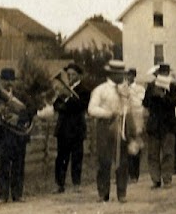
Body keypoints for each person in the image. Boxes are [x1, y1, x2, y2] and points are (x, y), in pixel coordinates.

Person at [87, 60, 142, 202]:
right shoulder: (101, 90)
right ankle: (103, 193)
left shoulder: (126, 90)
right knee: (104, 160)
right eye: (119, 74)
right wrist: (108, 113)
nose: (122, 76)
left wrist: (127, 97)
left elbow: (134, 106)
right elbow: (92, 109)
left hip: (122, 125)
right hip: (106, 125)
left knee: (123, 160)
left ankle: (122, 193)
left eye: (123, 74)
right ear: (111, 74)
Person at [0, 67, 35, 202]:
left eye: (11, 80)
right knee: (2, 166)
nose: (8, 83)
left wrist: (18, 118)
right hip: (2, 136)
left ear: (15, 82)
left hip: (18, 136)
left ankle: (17, 194)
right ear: (0, 80)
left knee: (18, 165)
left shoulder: (21, 95)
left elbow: (32, 110)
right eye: (5, 80)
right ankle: (2, 195)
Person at [142, 63, 176, 189]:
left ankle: (167, 178)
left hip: (168, 124)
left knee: (168, 153)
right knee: (153, 153)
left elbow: (175, 102)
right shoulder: (151, 86)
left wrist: (163, 96)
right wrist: (153, 94)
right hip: (154, 124)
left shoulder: (173, 86)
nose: (163, 75)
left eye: (165, 73)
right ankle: (156, 179)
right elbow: (145, 103)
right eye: (161, 73)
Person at [52, 63, 88, 193]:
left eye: (73, 74)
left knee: (77, 157)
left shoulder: (84, 90)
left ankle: (76, 184)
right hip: (63, 129)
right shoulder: (63, 90)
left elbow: (80, 106)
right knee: (61, 157)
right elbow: (56, 106)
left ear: (79, 76)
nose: (70, 77)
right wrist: (65, 99)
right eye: (68, 75)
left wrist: (67, 99)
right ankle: (59, 184)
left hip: (77, 129)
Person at [126, 68, 146, 179]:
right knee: (126, 144)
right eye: (127, 75)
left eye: (130, 75)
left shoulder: (139, 89)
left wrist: (131, 95)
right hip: (126, 117)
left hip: (137, 117)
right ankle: (128, 172)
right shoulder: (123, 87)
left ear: (134, 76)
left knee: (136, 143)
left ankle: (135, 173)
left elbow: (140, 102)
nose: (128, 78)